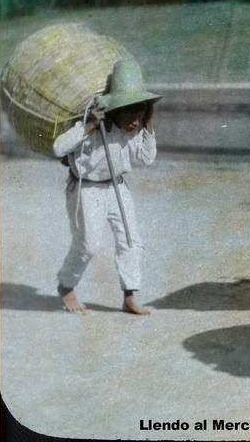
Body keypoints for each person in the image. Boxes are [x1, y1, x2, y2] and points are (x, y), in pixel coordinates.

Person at [53, 59, 161, 315]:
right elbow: (58, 148)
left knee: (130, 240)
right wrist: (89, 126)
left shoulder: (135, 129)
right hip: (87, 189)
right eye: (129, 113)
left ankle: (130, 295)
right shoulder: (92, 125)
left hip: (117, 188)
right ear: (114, 109)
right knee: (88, 244)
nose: (134, 121)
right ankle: (66, 286)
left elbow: (148, 158)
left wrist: (148, 127)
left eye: (140, 113)